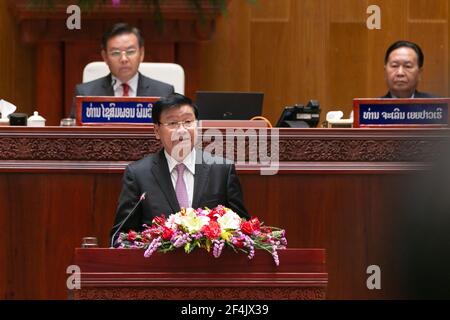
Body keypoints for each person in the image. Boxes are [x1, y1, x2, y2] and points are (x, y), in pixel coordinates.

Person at [110, 93, 249, 243]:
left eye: (188, 121)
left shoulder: (222, 170)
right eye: (172, 123)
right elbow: (121, 236)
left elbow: (243, 231)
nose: (181, 130)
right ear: (156, 130)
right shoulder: (138, 174)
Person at [70, 23, 174, 118]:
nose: (124, 59)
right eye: (115, 53)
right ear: (105, 57)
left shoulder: (163, 94)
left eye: (130, 51)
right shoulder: (86, 94)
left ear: (141, 54)